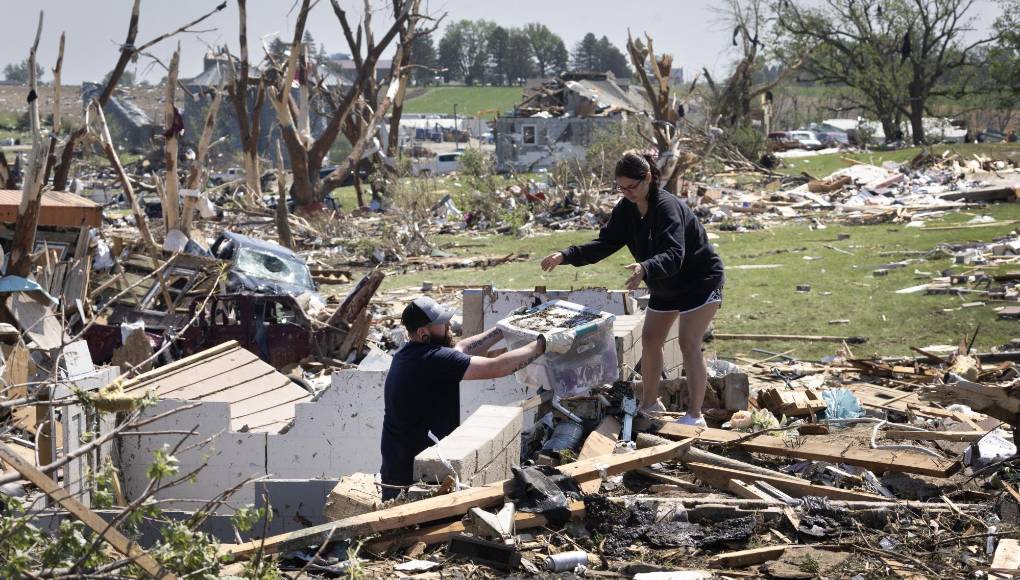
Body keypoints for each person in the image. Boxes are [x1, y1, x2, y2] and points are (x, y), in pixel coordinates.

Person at [541, 151, 724, 426]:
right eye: (621, 188)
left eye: (632, 187)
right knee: (650, 340)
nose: (626, 193)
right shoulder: (626, 209)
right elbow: (604, 244)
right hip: (666, 283)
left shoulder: (667, 208)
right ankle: (651, 404)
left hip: (700, 281)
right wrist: (565, 255)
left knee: (688, 343)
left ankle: (694, 416)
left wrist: (645, 267)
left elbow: (675, 253)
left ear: (648, 178)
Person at [380, 296, 572, 500]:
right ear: (423, 332)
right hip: (413, 481)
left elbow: (461, 349)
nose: (448, 325)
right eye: (441, 323)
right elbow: (496, 367)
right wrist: (543, 345)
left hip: (397, 471)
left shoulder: (410, 354)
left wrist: (503, 329)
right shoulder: (433, 360)